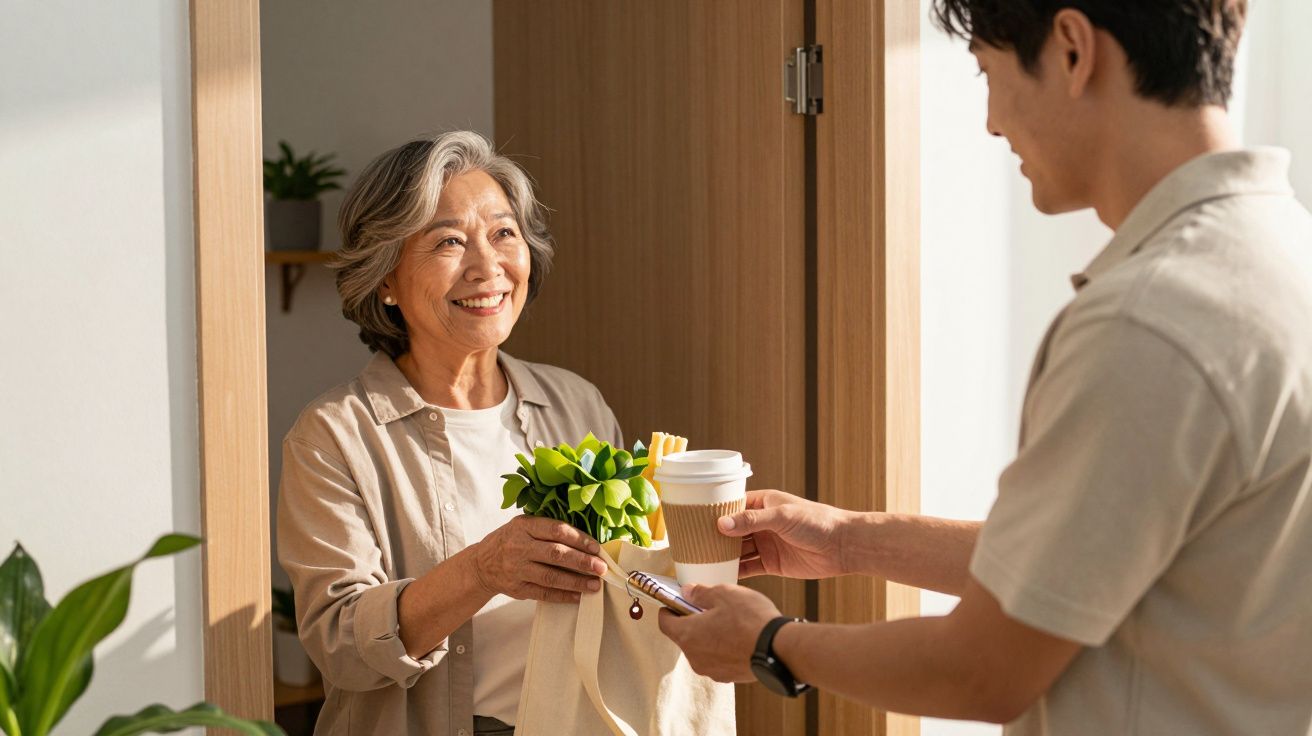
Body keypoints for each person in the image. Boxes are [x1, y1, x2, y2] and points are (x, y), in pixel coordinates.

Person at [660, 2, 1312, 733]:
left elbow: (983, 668)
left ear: (1071, 50)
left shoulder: (1151, 322)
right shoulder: (1282, 252)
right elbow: (1077, 560)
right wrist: (850, 540)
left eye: (989, 74)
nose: (992, 123)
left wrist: (770, 642)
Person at [278, 131, 619, 736]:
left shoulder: (576, 403)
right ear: (385, 280)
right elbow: (339, 644)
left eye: (504, 233)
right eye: (450, 241)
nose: (488, 267)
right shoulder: (333, 435)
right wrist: (483, 570)